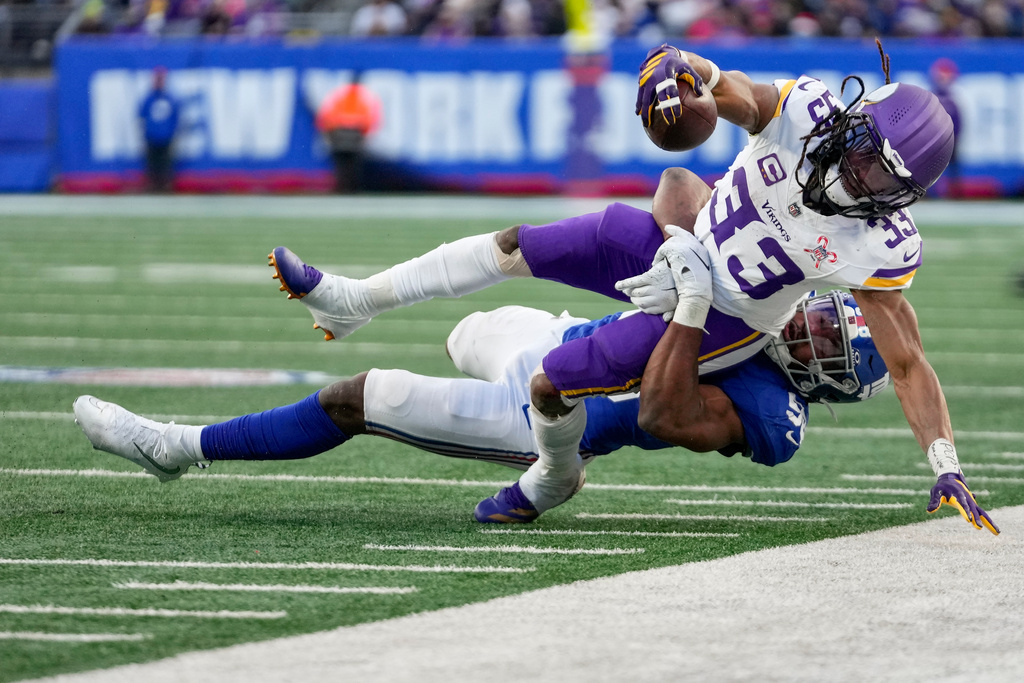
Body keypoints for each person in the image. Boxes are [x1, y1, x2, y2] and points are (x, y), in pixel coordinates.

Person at [260, 41, 997, 535]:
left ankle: (550, 478)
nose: (857, 181)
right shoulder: (808, 112)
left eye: (879, 183)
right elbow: (731, 95)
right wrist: (685, 72)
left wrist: (945, 462)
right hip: (676, 240)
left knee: (556, 381)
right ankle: (352, 301)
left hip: (712, 314)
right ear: (854, 126)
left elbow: (907, 361)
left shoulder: (879, 241)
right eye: (863, 159)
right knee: (519, 245)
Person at [78, 290, 984, 529]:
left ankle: (177, 445)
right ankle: (554, 478)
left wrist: (692, 305)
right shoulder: (781, 290)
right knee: (466, 325)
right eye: (823, 318)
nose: (809, 327)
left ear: (820, 380)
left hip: (557, 401)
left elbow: (667, 411)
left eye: (826, 342)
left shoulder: (773, 419)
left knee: (362, 398)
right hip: (562, 335)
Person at [314, 74, 383, 193]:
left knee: (341, 165)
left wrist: (329, 133)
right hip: (355, 135)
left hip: (338, 134)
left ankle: (342, 188)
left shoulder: (339, 96)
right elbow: (371, 118)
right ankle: (352, 189)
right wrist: (365, 134)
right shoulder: (364, 97)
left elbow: (325, 115)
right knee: (353, 166)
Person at [137, 67, 179, 193]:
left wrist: (172, 133)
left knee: (165, 164)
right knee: (152, 163)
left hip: (166, 136)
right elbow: (142, 117)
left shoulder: (170, 98)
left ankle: (165, 186)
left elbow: (175, 118)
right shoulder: (149, 98)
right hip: (152, 135)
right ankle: (153, 186)